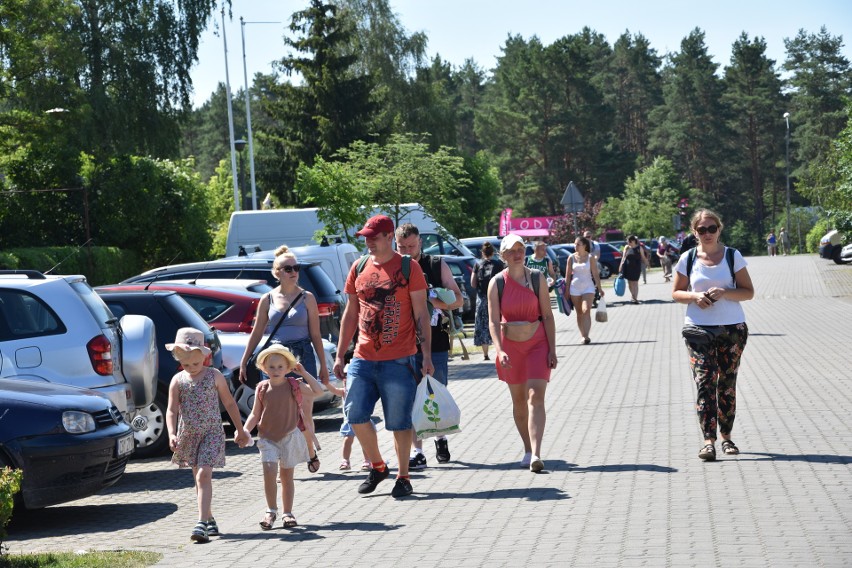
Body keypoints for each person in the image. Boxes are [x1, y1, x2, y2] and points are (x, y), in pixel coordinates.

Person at [333, 214, 434, 498]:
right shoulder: (359, 266)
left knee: (399, 422)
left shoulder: (408, 267)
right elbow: (350, 314)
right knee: (354, 414)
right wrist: (341, 355)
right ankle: (378, 466)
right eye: (365, 238)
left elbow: (421, 314)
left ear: (390, 236)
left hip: (400, 359)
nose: (368, 243)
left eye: (373, 238)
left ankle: (403, 476)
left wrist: (425, 356)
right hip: (363, 358)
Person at [672, 209, 754, 462]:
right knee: (704, 383)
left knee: (726, 384)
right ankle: (709, 441)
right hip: (698, 330)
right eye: (701, 230)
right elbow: (676, 292)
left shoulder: (732, 256)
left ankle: (727, 437)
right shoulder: (687, 258)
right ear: (694, 232)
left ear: (720, 229)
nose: (707, 234)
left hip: (732, 330)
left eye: (711, 228)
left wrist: (725, 291)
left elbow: (748, 292)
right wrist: (695, 297)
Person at [238, 245, 329, 474]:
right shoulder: (267, 299)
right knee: (274, 409)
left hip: (301, 355)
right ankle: (280, 462)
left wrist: (324, 366)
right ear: (276, 272)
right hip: (275, 356)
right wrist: (244, 359)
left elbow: (316, 335)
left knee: (304, 409)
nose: (293, 271)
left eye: (296, 267)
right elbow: (257, 332)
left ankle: (310, 450)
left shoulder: (307, 298)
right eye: (287, 268)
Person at [165, 328, 249, 543]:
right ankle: (209, 518)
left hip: (212, 433)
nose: (191, 368)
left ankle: (201, 523)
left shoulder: (214, 375)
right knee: (198, 478)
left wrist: (240, 429)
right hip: (189, 435)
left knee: (203, 475)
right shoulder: (178, 380)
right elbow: (172, 410)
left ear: (205, 356)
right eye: (186, 364)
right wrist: (172, 433)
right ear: (179, 361)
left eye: (195, 363)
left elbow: (229, 403)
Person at [395, 223, 464, 470]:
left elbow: (458, 300)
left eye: (411, 246)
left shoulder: (435, 265)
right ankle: (417, 451)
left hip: (435, 340)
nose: (406, 251)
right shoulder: (393, 267)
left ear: (420, 243)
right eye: (401, 246)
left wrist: (433, 299)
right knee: (410, 398)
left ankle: (441, 437)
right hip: (402, 342)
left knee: (434, 392)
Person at [488, 234, 558, 473]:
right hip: (511, 347)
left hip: (537, 343)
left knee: (535, 397)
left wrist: (552, 349)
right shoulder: (497, 283)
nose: (517, 254)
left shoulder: (537, 278)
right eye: (511, 251)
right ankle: (527, 449)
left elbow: (547, 316)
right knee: (518, 400)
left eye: (520, 249)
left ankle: (537, 453)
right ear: (503, 256)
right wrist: (499, 351)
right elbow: (493, 322)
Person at [241, 345, 323, 530]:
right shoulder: (262, 388)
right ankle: (270, 511)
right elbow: (255, 414)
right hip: (267, 438)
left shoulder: (294, 385)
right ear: (264, 368)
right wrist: (245, 431)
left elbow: (317, 391)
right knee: (269, 473)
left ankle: (288, 513)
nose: (276, 370)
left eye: (280, 367)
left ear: (288, 368)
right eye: (271, 367)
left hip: (289, 437)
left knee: (287, 477)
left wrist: (304, 372)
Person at [564, 236, 604, 344]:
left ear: (584, 246)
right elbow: (567, 276)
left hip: (588, 287)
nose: (575, 246)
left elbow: (595, 273)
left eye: (578, 244)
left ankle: (586, 335)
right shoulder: (571, 258)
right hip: (574, 288)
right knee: (579, 312)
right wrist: (566, 290)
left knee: (586, 310)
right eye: (575, 244)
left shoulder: (590, 257)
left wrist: (599, 288)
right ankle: (583, 335)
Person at [471, 241, 505, 360]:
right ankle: (499, 350)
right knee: (497, 323)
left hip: (482, 299)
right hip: (496, 298)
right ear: (492, 252)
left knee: (483, 326)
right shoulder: (499, 264)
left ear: (482, 252)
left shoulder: (477, 264)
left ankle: (485, 354)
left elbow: (473, 283)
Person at [618, 235, 649, 304]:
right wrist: (620, 266)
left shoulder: (639, 248)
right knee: (630, 283)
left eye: (628, 241)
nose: (627, 243)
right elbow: (623, 258)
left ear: (632, 241)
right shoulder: (626, 247)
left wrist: (647, 264)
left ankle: (635, 298)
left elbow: (643, 257)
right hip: (628, 267)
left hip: (636, 267)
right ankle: (633, 295)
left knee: (635, 282)